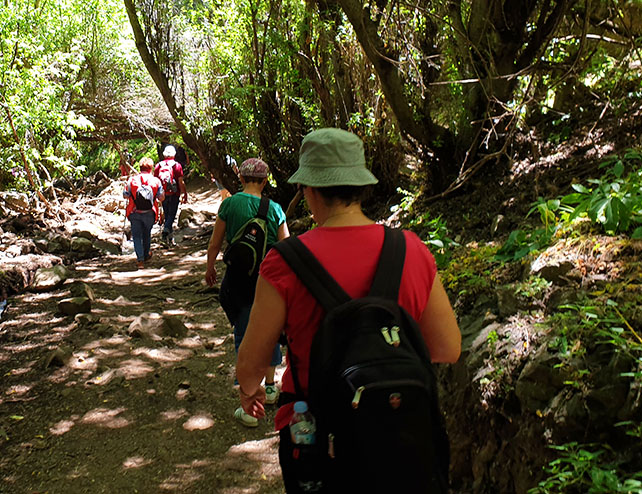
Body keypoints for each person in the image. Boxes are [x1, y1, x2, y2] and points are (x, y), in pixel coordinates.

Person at [235, 128, 461, 491]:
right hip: (399, 429)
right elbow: (448, 348)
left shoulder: (285, 262)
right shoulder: (411, 250)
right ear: (361, 186)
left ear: (308, 189)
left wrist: (250, 391)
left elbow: (251, 363)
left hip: (316, 439)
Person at [205, 157, 289, 426]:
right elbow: (287, 247)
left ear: (240, 179)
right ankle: (271, 387)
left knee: (244, 333)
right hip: (269, 280)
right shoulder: (275, 209)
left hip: (238, 280)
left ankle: (251, 404)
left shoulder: (229, 204)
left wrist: (210, 267)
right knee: (270, 330)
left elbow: (215, 242)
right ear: (265, 182)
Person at [123, 157, 164, 268]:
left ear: (140, 167)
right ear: (151, 168)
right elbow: (161, 197)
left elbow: (125, 195)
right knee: (147, 234)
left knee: (136, 236)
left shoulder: (132, 180)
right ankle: (146, 255)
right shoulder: (156, 181)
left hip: (134, 212)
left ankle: (140, 260)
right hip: (150, 212)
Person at [155, 145, 187, 245]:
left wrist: (156, 195)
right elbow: (180, 181)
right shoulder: (177, 165)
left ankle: (169, 240)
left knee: (167, 214)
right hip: (174, 193)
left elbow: (155, 181)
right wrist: (184, 193)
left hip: (163, 193)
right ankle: (165, 232)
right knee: (172, 215)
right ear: (174, 154)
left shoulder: (158, 166)